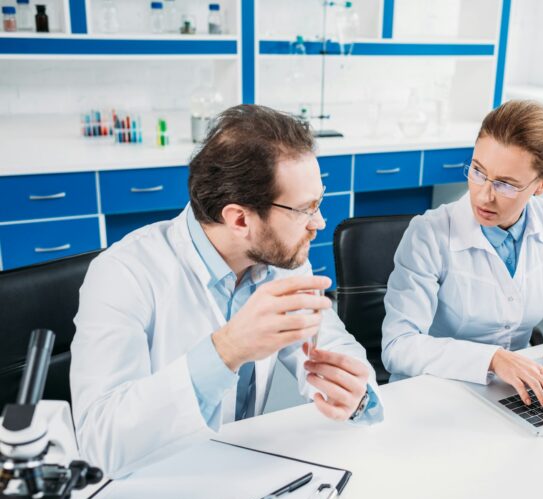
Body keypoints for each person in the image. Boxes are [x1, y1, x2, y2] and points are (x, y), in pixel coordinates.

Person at [70, 105, 382, 478]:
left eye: (319, 202)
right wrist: (227, 350)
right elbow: (99, 442)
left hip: (242, 472)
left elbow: (328, 343)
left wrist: (355, 394)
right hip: (155, 484)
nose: (319, 222)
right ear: (239, 219)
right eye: (305, 209)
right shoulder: (124, 274)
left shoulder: (282, 257)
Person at [381, 99, 543, 410]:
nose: (484, 195)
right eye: (477, 171)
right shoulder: (429, 234)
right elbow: (398, 346)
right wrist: (492, 359)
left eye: (506, 184)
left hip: (514, 393)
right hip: (436, 391)